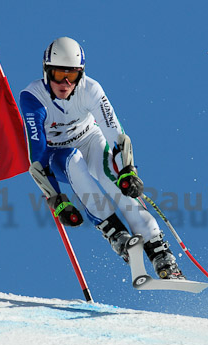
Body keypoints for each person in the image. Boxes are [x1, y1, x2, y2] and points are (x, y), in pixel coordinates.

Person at [19, 36, 185, 280]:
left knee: (118, 183)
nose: (65, 83)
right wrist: (57, 200)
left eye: (72, 76)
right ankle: (114, 232)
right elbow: (38, 154)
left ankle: (159, 250)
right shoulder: (32, 97)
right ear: (46, 72)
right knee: (73, 159)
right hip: (58, 153)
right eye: (57, 74)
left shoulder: (90, 89)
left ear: (81, 75)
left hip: (90, 139)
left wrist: (127, 170)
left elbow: (115, 134)